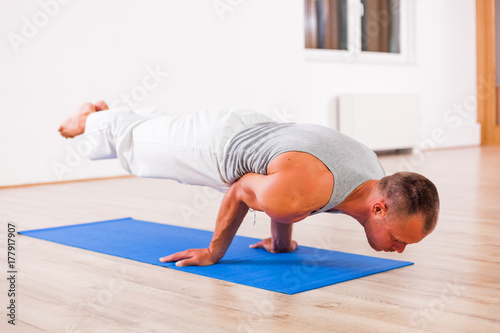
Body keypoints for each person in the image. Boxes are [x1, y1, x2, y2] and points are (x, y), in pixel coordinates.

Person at [58, 101, 440, 267]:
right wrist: (214, 251)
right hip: (216, 147)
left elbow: (291, 188)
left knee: (159, 131)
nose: (400, 248)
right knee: (139, 151)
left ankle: (111, 116)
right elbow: (242, 188)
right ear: (379, 208)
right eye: (399, 238)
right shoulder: (307, 189)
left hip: (250, 127)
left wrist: (281, 240)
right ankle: (89, 119)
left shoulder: (371, 170)